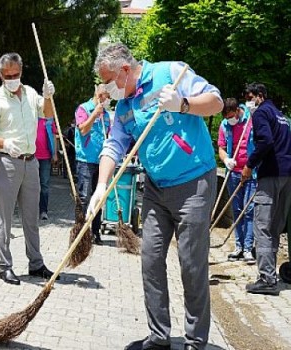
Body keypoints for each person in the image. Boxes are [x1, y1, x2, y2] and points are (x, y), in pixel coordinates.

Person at [90, 43, 222, 350]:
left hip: (193, 183)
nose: (106, 88)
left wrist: (183, 104)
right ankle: (159, 336)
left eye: (108, 80)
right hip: (155, 187)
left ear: (125, 70)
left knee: (191, 265)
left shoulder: (170, 72)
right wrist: (100, 185)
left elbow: (215, 100)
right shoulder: (123, 107)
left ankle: (195, 340)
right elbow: (114, 146)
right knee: (150, 259)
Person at [0, 52, 59, 285]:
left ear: (21, 72)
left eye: (16, 74)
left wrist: (47, 97)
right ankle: (5, 266)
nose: (12, 78)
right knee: (4, 217)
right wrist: (4, 143)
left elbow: (47, 114)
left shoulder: (31, 93)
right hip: (7, 162)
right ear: (0, 75)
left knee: (31, 217)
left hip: (31, 162)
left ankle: (36, 263)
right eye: (7, 75)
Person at [241, 83, 291, 296]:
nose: (248, 102)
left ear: (260, 96)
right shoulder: (281, 116)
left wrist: (249, 164)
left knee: (261, 227)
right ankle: (270, 274)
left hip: (270, 175)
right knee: (274, 227)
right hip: (287, 177)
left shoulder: (261, 113)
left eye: (250, 97)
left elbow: (265, 142)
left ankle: (267, 278)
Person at [218, 98, 256, 263]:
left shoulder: (250, 120)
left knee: (249, 211)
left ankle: (248, 248)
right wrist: (226, 160)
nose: (230, 121)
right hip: (234, 173)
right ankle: (238, 247)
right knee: (237, 210)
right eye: (227, 118)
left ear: (237, 111)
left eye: (231, 117)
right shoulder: (225, 125)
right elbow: (221, 147)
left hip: (251, 172)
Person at [74, 84, 110, 245]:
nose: (108, 100)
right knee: (84, 197)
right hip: (85, 160)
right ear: (99, 95)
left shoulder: (107, 116)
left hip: (101, 160)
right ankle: (81, 231)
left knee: (98, 197)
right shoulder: (84, 109)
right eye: (107, 96)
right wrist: (94, 115)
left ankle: (95, 231)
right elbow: (82, 129)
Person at [35, 113, 57, 221]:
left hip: (46, 156)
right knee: (31, 185)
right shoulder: (30, 116)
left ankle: (43, 210)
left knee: (44, 184)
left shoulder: (49, 119)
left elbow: (53, 136)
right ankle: (31, 210)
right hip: (31, 156)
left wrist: (55, 154)